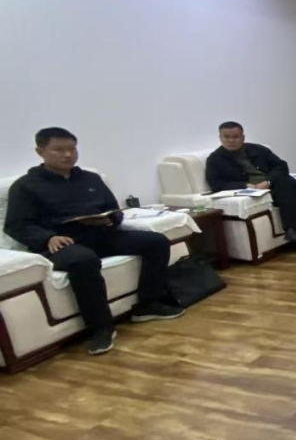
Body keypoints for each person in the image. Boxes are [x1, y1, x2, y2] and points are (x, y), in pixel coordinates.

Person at [3, 128, 185, 356]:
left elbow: (114, 209)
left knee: (156, 241)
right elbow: (16, 225)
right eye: (59, 149)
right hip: (62, 243)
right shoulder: (25, 186)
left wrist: (110, 220)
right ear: (40, 152)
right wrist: (47, 237)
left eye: (72, 149)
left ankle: (148, 304)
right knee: (83, 260)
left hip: (99, 234)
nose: (67, 155)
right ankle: (101, 327)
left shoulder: (90, 178)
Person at [205, 122, 296, 255]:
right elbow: (216, 183)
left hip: (273, 184)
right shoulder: (214, 159)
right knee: (290, 192)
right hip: (251, 190)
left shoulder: (258, 149)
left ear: (243, 137)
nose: (231, 141)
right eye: (226, 137)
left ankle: (294, 232)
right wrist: (245, 186)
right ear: (220, 138)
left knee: (288, 185)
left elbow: (281, 166)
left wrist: (268, 182)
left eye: (235, 137)